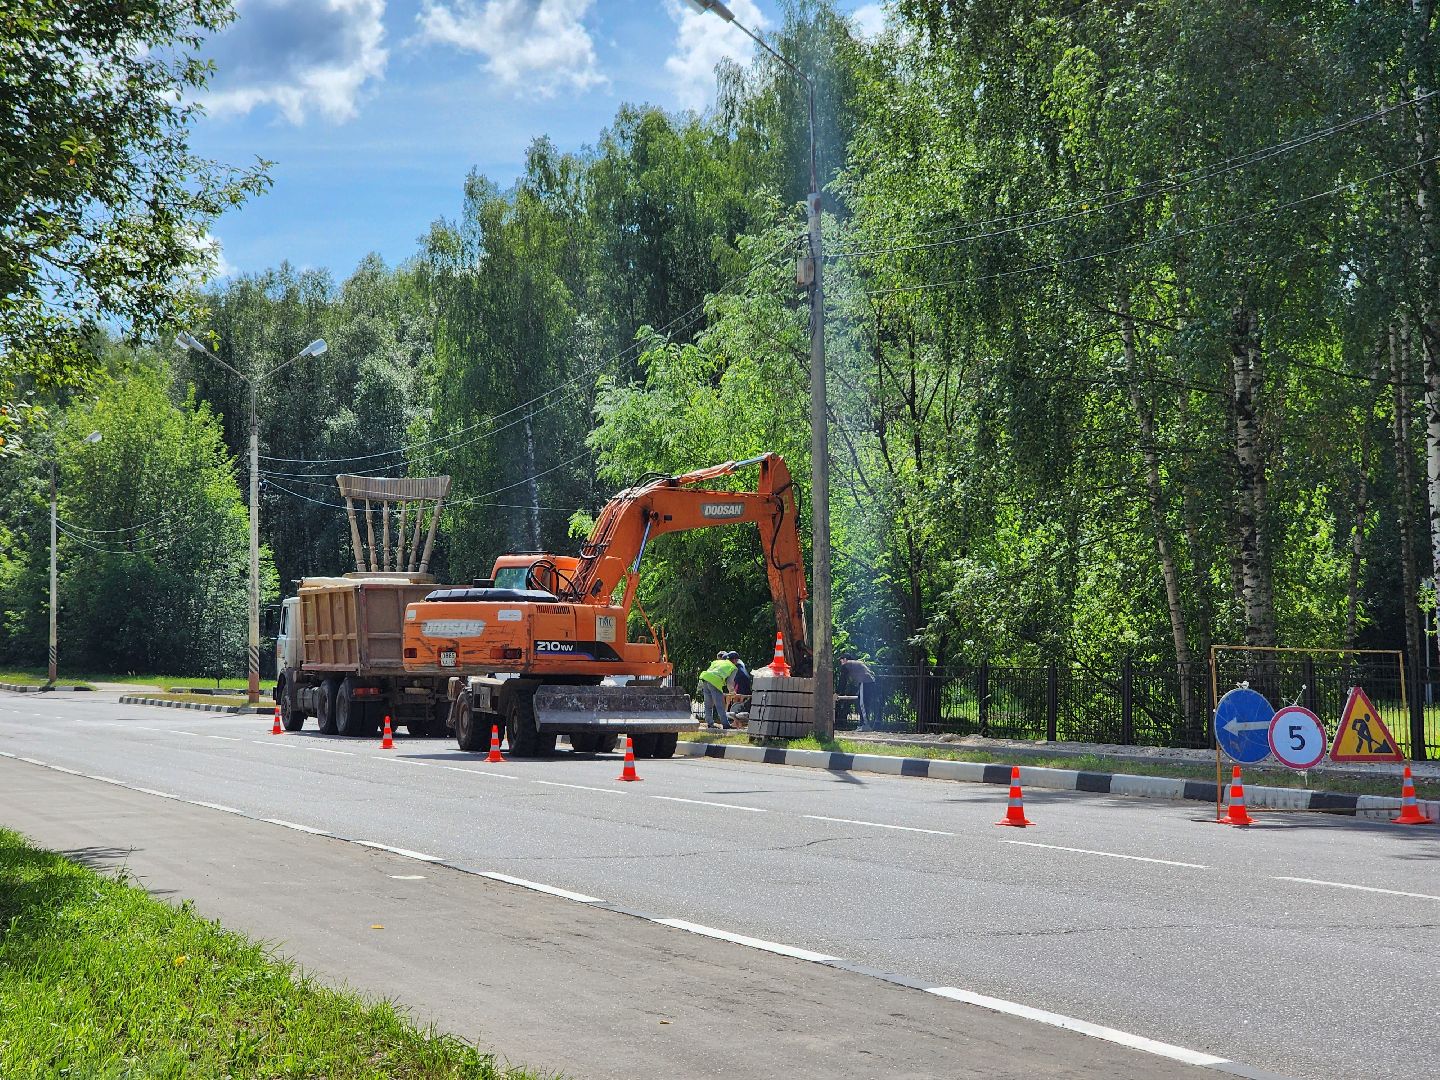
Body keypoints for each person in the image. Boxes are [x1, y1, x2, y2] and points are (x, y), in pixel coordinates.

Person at [698, 651, 737, 730]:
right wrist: (732, 691)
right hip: (715, 682)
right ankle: (726, 725)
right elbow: (729, 682)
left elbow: (710, 671)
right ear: (735, 660)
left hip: (705, 680)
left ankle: (710, 723)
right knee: (720, 705)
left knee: (708, 705)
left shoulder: (717, 662)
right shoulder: (733, 667)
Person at [839, 653, 877, 730]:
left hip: (865, 682)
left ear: (845, 659)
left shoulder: (847, 664)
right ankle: (863, 724)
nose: (840, 663)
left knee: (862, 704)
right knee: (862, 703)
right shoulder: (855, 663)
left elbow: (843, 680)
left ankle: (865, 725)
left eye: (841, 660)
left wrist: (838, 692)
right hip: (868, 682)